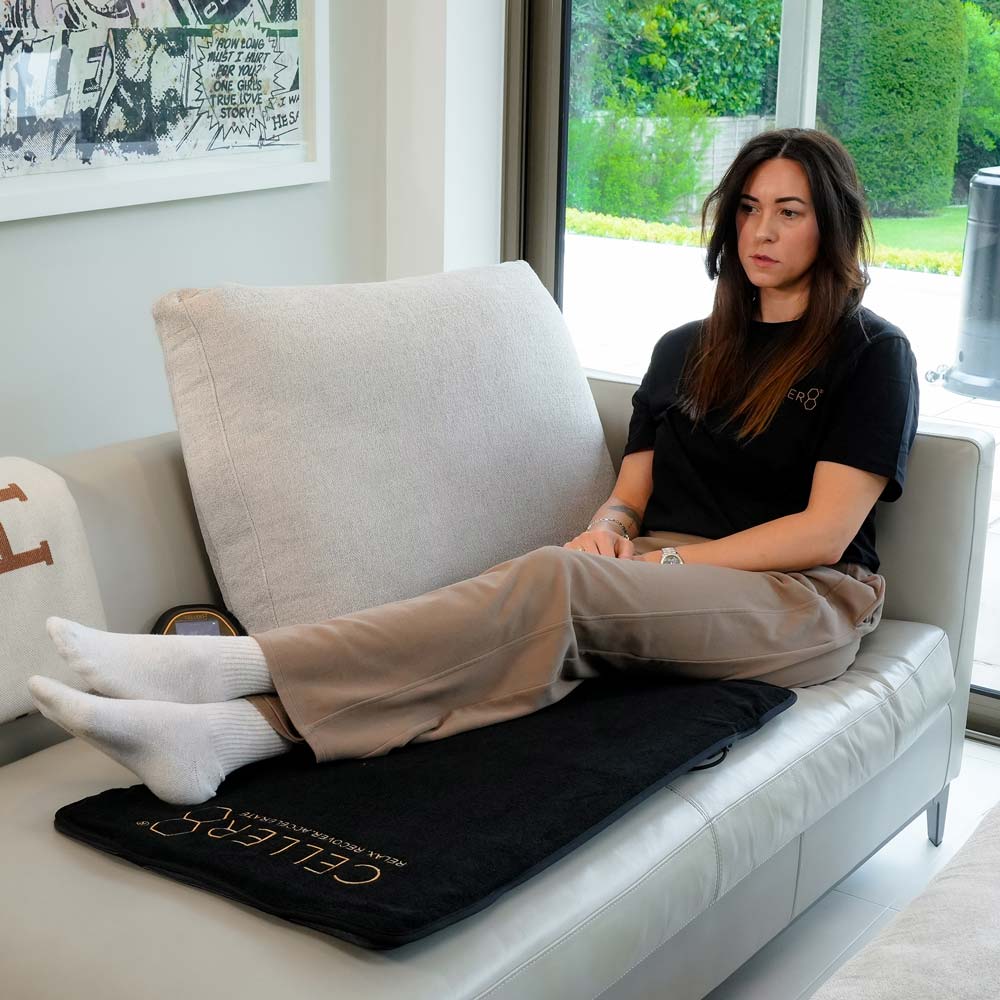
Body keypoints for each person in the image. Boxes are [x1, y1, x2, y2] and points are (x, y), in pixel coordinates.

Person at [27, 127, 918, 807]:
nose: (762, 230)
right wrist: (611, 531)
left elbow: (823, 530)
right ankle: (230, 738)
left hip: (807, 599)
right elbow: (635, 487)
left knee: (552, 589)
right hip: (665, 576)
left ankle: (240, 666)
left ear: (829, 222)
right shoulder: (687, 346)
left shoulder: (870, 354)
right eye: (750, 208)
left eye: (789, 211)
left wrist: (662, 565)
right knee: (510, 627)